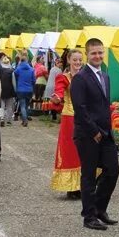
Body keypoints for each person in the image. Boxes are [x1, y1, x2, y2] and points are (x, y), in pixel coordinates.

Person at [70, 38, 119, 231]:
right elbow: (80, 109)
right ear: (87, 54)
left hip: (105, 133)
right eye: (93, 53)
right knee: (89, 175)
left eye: (100, 52)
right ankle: (88, 216)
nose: (97, 56)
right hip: (87, 134)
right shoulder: (80, 78)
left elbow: (103, 106)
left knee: (112, 170)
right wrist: (94, 131)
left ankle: (100, 209)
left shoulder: (105, 76)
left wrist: (107, 130)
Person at [50, 50, 84, 199]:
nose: (77, 63)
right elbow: (58, 91)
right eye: (75, 60)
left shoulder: (85, 77)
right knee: (70, 151)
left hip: (85, 118)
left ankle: (83, 185)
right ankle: (71, 187)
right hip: (70, 119)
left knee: (85, 152)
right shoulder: (63, 78)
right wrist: (57, 97)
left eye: (80, 60)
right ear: (69, 60)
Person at [13, 53, 35, 127]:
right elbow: (34, 80)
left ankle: (24, 120)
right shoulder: (31, 69)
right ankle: (24, 119)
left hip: (20, 89)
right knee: (26, 106)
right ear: (27, 60)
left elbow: (14, 76)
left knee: (22, 105)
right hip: (29, 90)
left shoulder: (18, 69)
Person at [0, 56, 16, 127]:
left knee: (1, 106)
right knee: (9, 106)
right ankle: (8, 120)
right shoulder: (12, 71)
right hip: (10, 90)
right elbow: (14, 82)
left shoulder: (0, 71)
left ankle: (1, 118)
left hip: (1, 89)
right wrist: (15, 90)